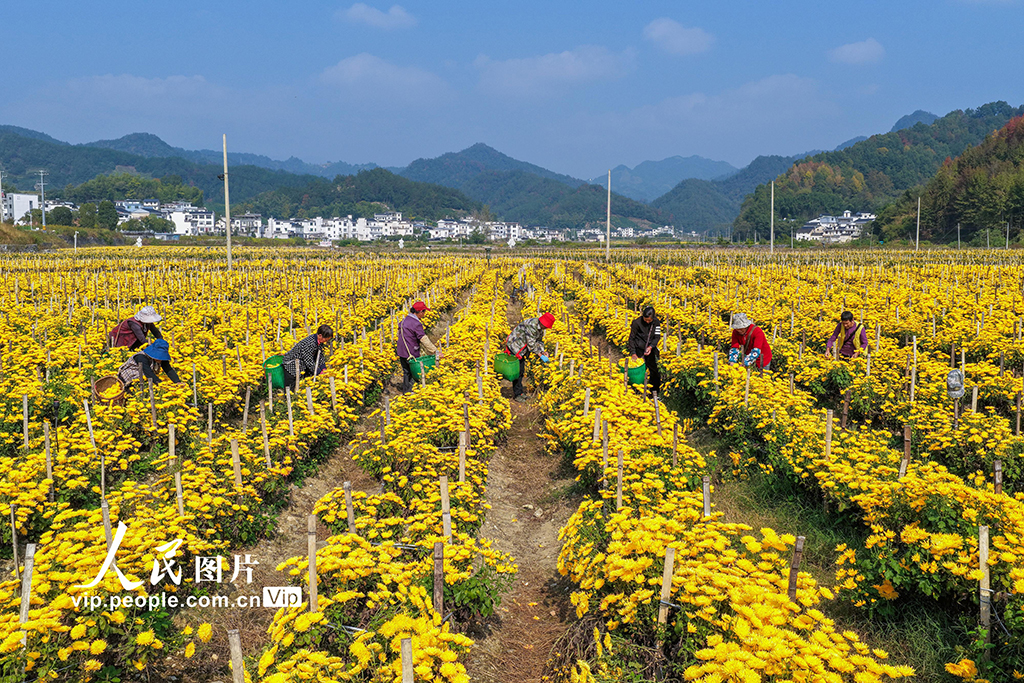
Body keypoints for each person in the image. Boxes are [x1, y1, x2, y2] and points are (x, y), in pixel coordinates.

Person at [505, 312, 554, 402]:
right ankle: (517, 395)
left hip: (522, 348)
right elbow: (531, 344)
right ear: (543, 323)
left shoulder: (539, 329)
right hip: (515, 346)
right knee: (517, 371)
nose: (547, 328)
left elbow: (539, 341)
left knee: (521, 371)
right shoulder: (532, 325)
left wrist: (543, 351)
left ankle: (520, 393)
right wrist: (539, 355)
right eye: (547, 326)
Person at [396, 301, 441, 393]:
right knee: (414, 371)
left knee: (406, 371)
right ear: (420, 312)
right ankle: (412, 392)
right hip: (411, 352)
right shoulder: (416, 323)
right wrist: (435, 351)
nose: (425, 314)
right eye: (424, 312)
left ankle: (406, 391)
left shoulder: (404, 320)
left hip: (401, 350)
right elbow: (424, 339)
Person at [282, 324, 334, 390]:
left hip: (301, 365)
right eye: (326, 340)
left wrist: (323, 368)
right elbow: (308, 361)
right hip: (291, 365)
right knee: (290, 387)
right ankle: (287, 398)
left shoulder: (318, 341)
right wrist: (319, 372)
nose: (326, 341)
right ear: (320, 335)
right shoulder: (310, 343)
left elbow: (320, 355)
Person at [116, 339, 180, 391]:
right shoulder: (141, 357)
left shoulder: (160, 359)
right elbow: (148, 372)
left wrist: (178, 382)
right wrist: (161, 385)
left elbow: (168, 369)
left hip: (144, 378)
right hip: (129, 379)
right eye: (159, 356)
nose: (160, 359)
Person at [628, 306, 662, 398]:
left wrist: (651, 347)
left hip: (651, 349)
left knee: (654, 371)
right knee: (640, 372)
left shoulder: (656, 322)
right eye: (645, 320)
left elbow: (657, 336)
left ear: (653, 318)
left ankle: (654, 394)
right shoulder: (636, 323)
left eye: (649, 320)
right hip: (639, 350)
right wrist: (633, 353)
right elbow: (631, 338)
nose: (647, 322)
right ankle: (638, 393)